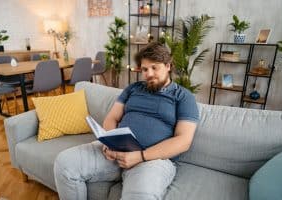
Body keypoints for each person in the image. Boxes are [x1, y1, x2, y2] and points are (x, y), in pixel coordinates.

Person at [54, 42, 199, 200]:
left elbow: (183, 141)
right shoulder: (133, 88)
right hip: (116, 150)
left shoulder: (183, 96)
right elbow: (112, 117)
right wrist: (109, 142)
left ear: (168, 66)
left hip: (153, 160)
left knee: (141, 196)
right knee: (65, 164)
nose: (149, 74)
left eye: (154, 67)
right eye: (144, 69)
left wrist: (140, 156)